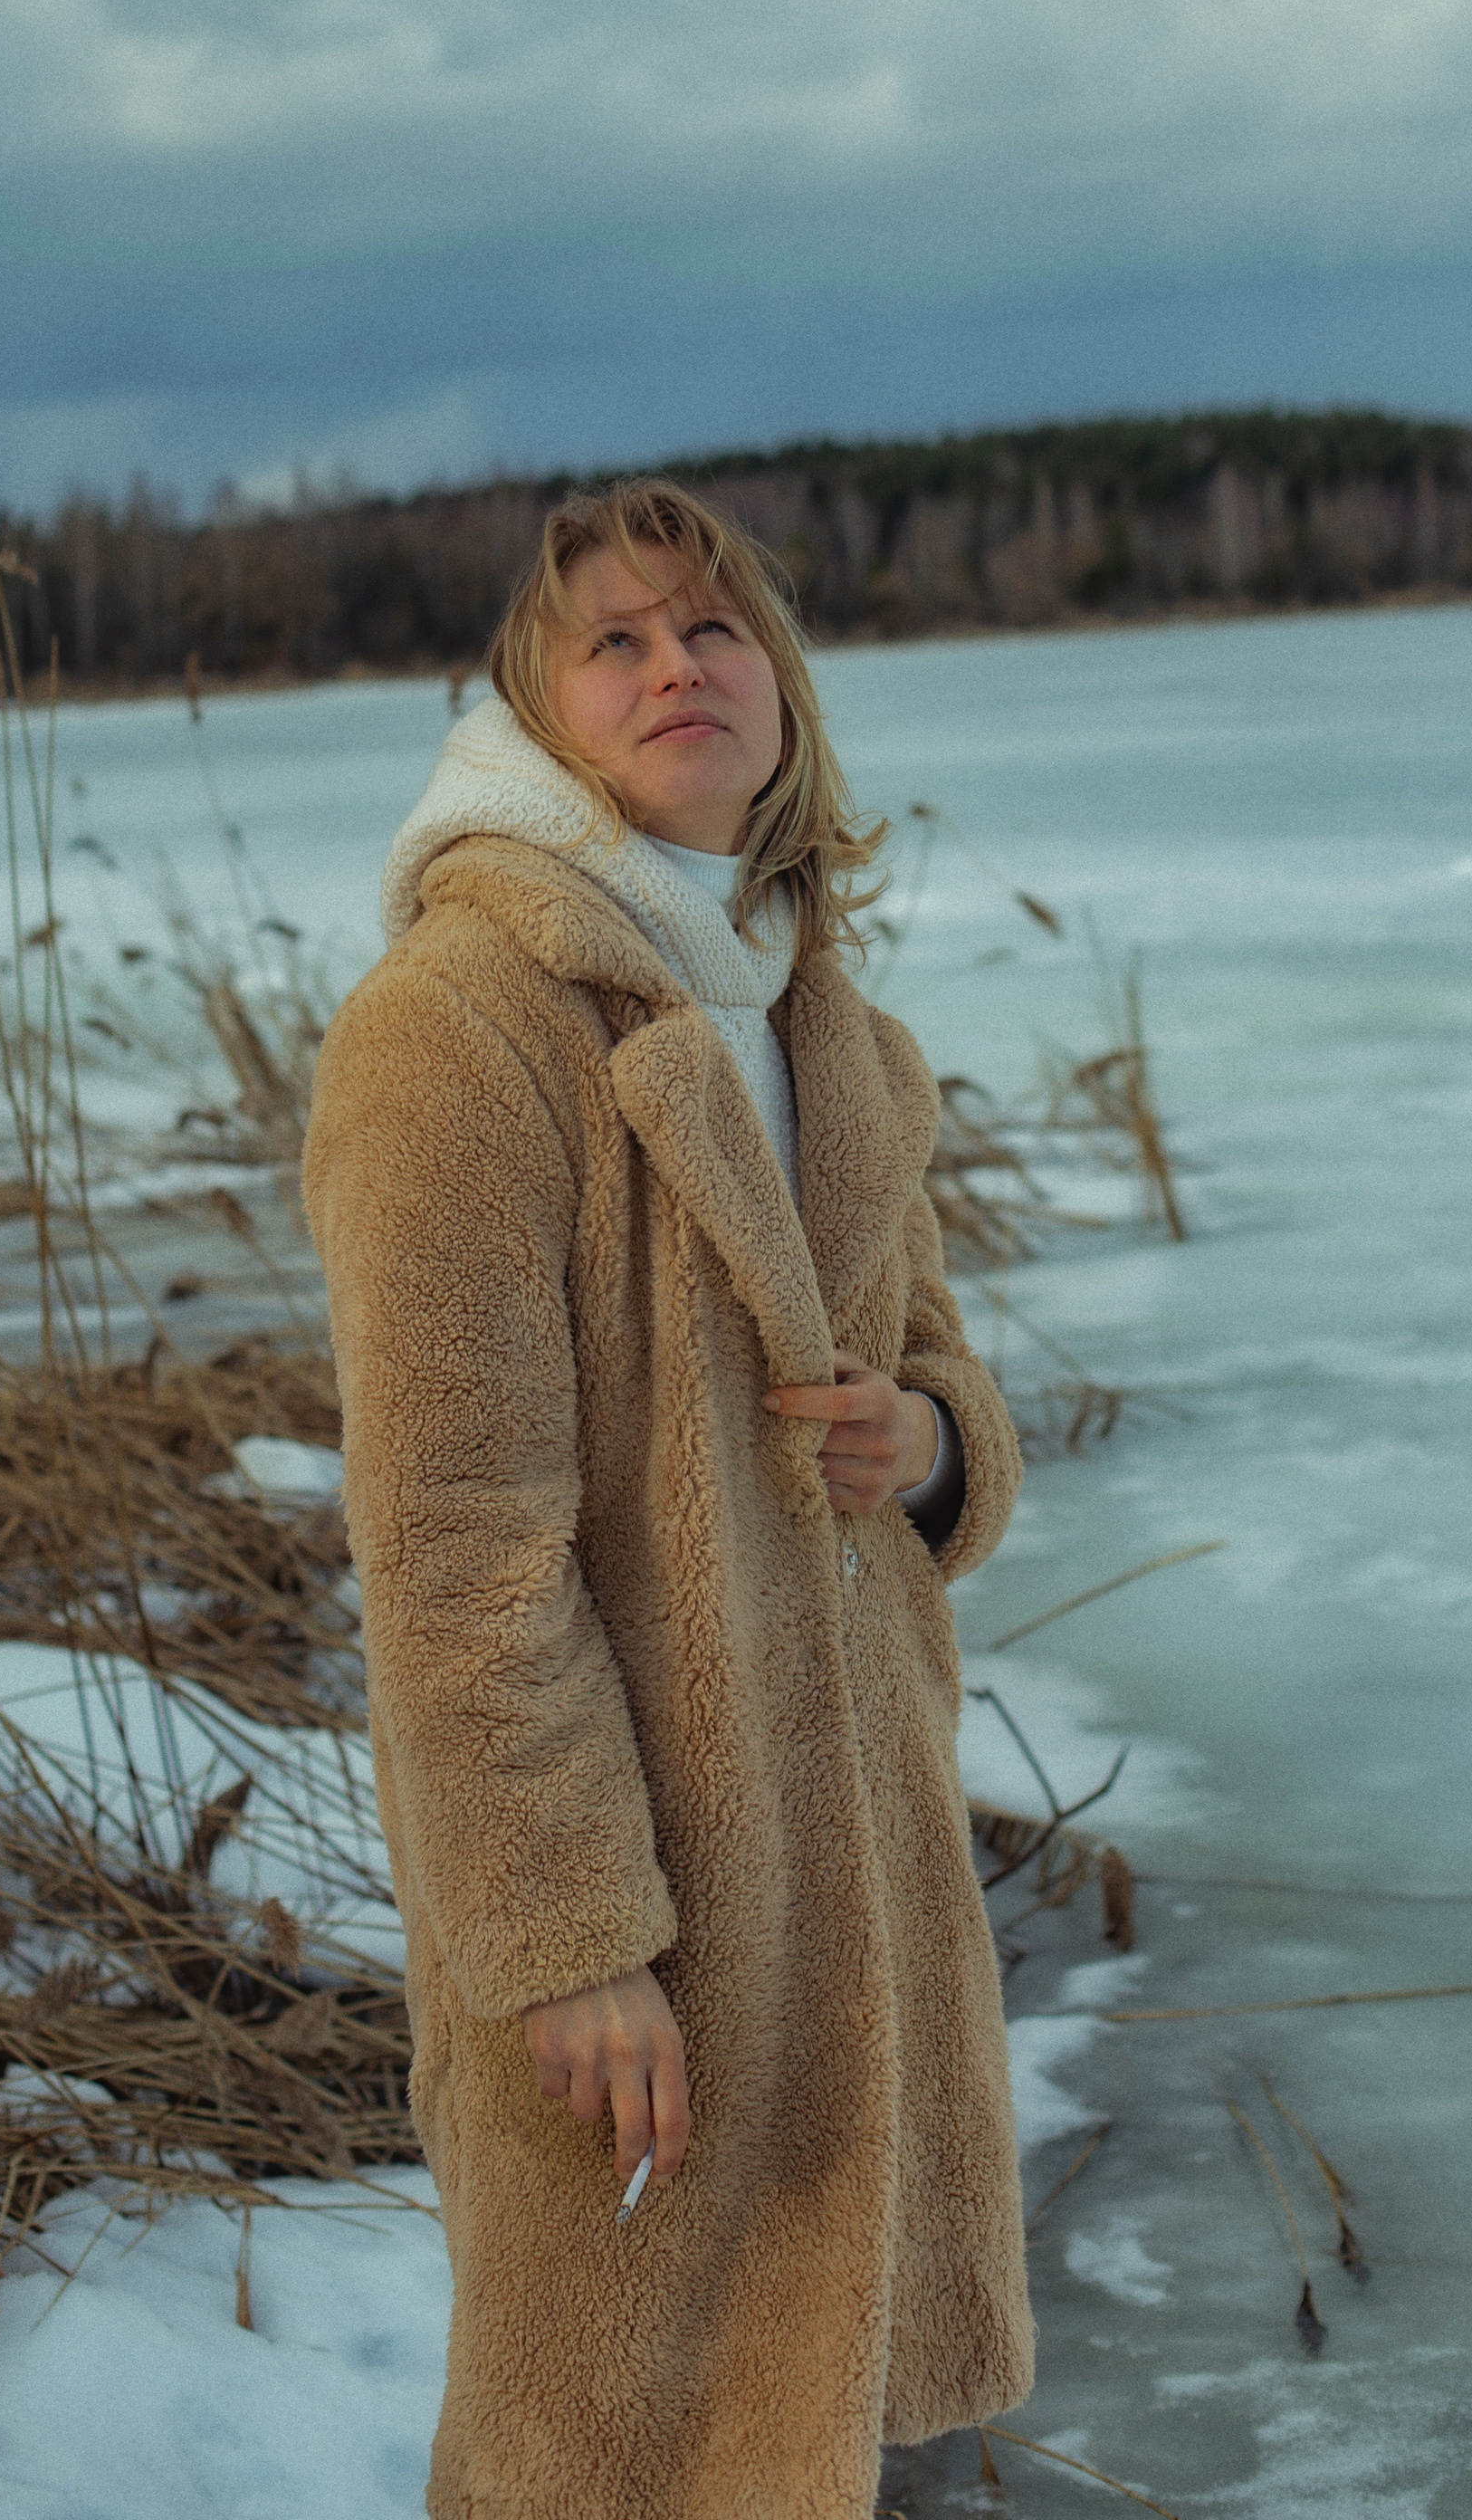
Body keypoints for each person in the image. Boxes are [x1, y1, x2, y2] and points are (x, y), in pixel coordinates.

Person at [302, 477, 1033, 2520]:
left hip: (855, 1882)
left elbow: (943, 1371)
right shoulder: (449, 1031)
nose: (671, 667)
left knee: (822, 2443)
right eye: (608, 642)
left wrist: (935, 1443)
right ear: (530, 718)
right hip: (634, 1905)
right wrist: (564, 1936)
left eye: (711, 631)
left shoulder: (839, 1032)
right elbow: (453, 1551)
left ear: (781, 695)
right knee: (602, 2447)